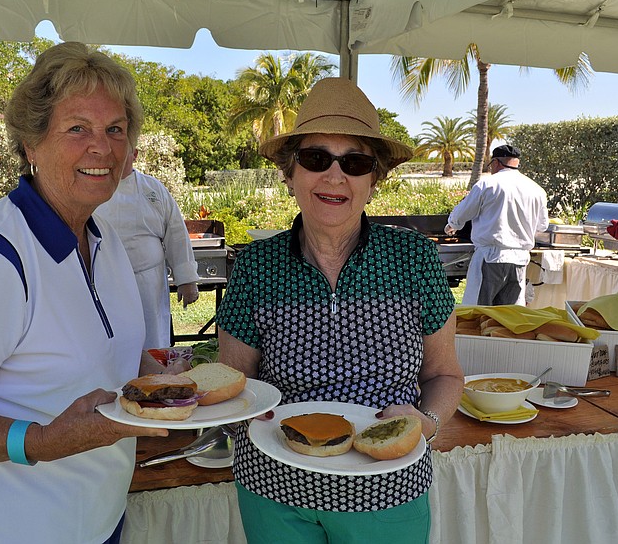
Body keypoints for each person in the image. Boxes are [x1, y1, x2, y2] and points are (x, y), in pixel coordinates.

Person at [0, 42, 177, 544]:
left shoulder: (102, 237)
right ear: (31, 144)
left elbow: (101, 360)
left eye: (115, 129)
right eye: (77, 129)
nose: (102, 147)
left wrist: (160, 377)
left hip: (96, 519)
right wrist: (42, 442)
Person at [216, 77, 463, 544]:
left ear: (374, 179)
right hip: (275, 490)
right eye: (315, 159)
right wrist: (237, 416)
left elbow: (445, 376)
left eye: (354, 162)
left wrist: (424, 423)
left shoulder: (414, 260)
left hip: (386, 490)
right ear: (290, 175)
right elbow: (235, 386)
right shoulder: (255, 266)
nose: (334, 176)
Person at [93, 148, 199, 349]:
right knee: (112, 343)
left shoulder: (153, 189)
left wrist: (187, 280)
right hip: (105, 281)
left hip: (149, 285)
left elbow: (176, 234)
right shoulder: (92, 189)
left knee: (153, 341)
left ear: (135, 154)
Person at [444, 144, 549, 306]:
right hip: (519, 260)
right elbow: (542, 226)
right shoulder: (537, 190)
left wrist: (451, 225)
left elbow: (462, 213)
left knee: (479, 313)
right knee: (509, 316)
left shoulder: (487, 185)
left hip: (491, 258)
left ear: (496, 162)